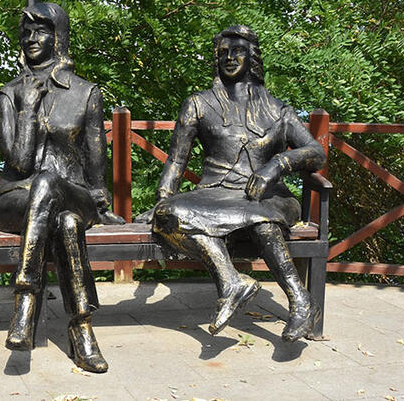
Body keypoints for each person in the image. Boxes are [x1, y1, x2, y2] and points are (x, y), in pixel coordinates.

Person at [136, 25, 326, 342]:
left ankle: (301, 301)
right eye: (222, 52)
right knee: (168, 214)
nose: (228, 57)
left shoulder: (277, 109)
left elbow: (316, 153)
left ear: (252, 57)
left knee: (263, 223)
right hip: (215, 196)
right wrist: (162, 199)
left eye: (237, 51)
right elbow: (176, 162)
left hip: (269, 198)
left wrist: (276, 165)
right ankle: (231, 282)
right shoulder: (199, 104)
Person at [0, 1, 124, 373]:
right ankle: (82, 329)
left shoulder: (85, 93)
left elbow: (96, 158)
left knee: (57, 195)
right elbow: (18, 163)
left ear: (58, 36)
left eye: (41, 31)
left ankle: (25, 298)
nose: (31, 38)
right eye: (25, 32)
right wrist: (27, 109)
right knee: (66, 223)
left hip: (74, 194)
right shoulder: (10, 94)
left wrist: (101, 201)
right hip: (16, 198)